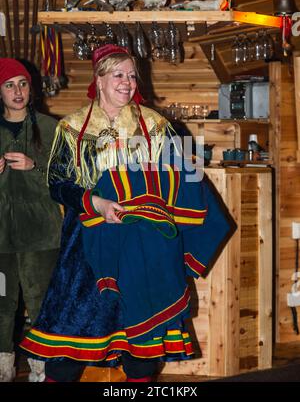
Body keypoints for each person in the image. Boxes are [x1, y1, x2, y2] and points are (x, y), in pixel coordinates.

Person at [21, 44, 231, 382]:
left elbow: (183, 178)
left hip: (144, 242)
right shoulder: (72, 128)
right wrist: (97, 203)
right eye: (118, 74)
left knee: (142, 339)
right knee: (69, 338)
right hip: (87, 241)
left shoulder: (156, 125)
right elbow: (57, 184)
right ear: (99, 79)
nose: (127, 82)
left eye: (132, 75)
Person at [0, 58, 62, 382]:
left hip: (41, 235)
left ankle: (43, 371)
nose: (18, 91)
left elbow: (67, 178)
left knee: (41, 301)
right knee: (1, 303)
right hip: (0, 239)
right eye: (9, 85)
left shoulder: (51, 128)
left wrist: (35, 167)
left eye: (22, 83)